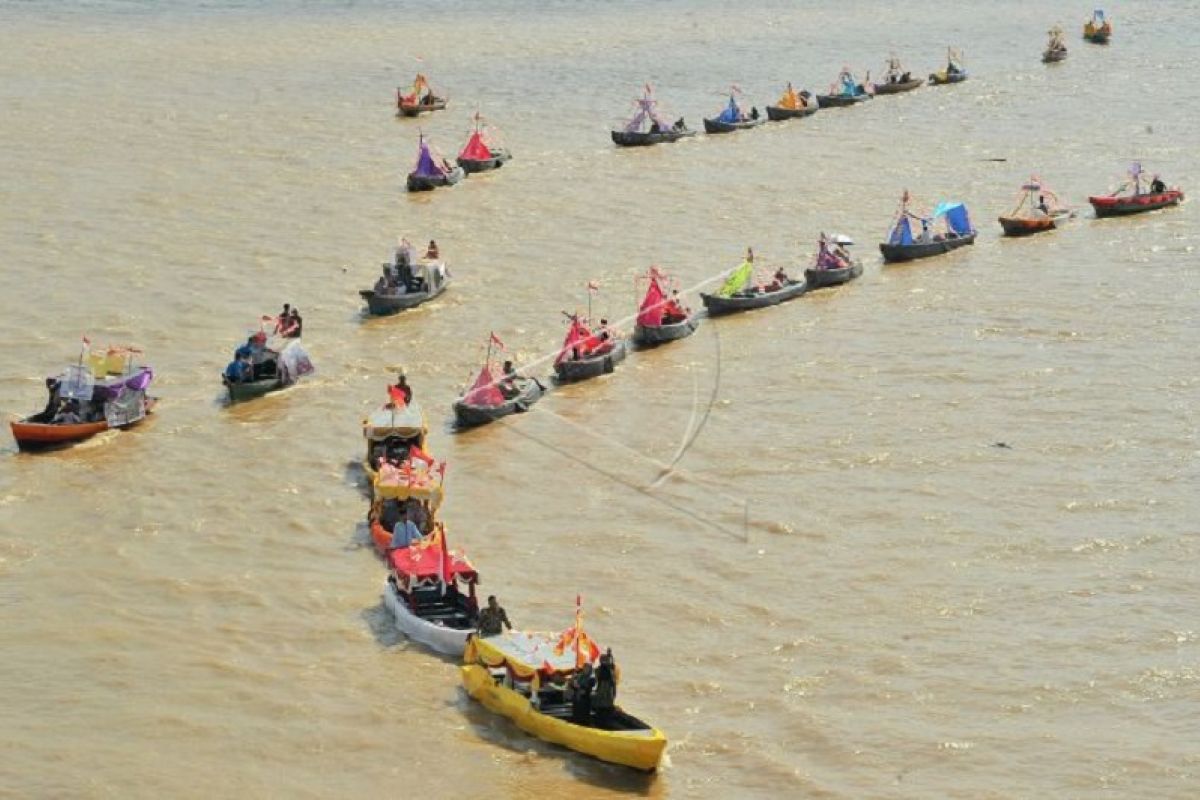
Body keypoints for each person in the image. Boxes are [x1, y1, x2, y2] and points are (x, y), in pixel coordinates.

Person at [593, 648, 617, 724]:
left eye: (606, 660)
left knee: (607, 706)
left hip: (608, 691)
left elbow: (612, 665)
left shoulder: (611, 670)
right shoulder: (599, 670)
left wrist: (610, 655)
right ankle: (601, 721)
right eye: (603, 660)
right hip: (602, 690)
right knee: (602, 706)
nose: (605, 662)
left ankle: (605, 721)